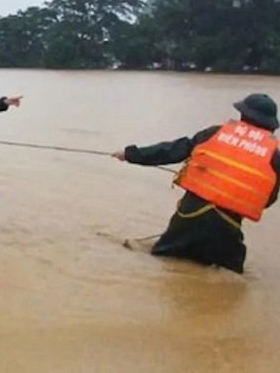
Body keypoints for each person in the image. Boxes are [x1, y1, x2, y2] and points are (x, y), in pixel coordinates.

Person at [112, 93, 280, 274]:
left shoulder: (215, 133)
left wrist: (130, 154)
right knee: (232, 276)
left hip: (188, 219)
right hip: (227, 229)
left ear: (242, 115)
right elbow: (267, 199)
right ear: (270, 125)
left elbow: (171, 151)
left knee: (162, 260)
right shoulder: (274, 156)